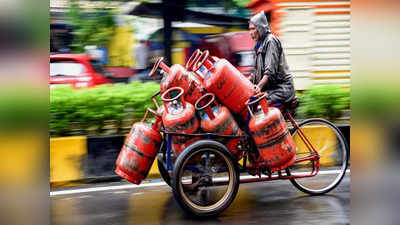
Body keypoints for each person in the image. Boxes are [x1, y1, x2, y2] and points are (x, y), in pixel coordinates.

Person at [249, 11, 296, 106]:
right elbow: (255, 73)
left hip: (281, 89)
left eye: (253, 29)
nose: (250, 33)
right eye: (249, 29)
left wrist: (259, 87)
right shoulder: (259, 45)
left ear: (260, 28)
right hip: (272, 90)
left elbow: (270, 71)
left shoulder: (270, 41)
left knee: (256, 105)